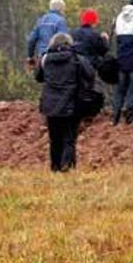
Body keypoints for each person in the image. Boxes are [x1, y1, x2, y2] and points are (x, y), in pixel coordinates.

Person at [35, 33, 95, 172]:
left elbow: (38, 77)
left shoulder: (45, 59)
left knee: (54, 139)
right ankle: (66, 164)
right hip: (71, 103)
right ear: (70, 44)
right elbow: (90, 74)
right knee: (69, 137)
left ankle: (55, 167)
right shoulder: (77, 59)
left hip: (50, 104)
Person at [72, 8, 110, 120]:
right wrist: (105, 39)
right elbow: (103, 50)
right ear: (94, 22)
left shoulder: (72, 33)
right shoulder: (95, 35)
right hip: (90, 67)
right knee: (94, 90)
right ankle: (91, 113)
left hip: (74, 66)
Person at [26, 0, 68, 66]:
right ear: (61, 9)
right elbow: (63, 41)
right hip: (55, 59)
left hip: (42, 58)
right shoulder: (60, 21)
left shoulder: (41, 20)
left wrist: (30, 56)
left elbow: (31, 40)